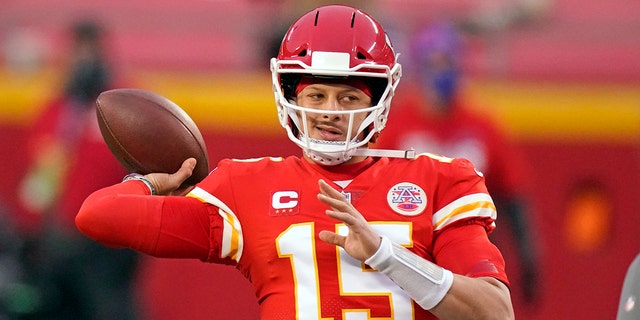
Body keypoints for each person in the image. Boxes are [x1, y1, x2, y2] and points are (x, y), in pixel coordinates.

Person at [75, 5, 514, 319]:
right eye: (316, 95)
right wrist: (153, 183)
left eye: (347, 97)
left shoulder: (440, 178)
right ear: (290, 97)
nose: (329, 111)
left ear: (379, 101)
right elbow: (97, 216)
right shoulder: (247, 185)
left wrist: (386, 255)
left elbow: (494, 312)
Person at [375, 21, 539, 302]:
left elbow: (513, 195)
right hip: (413, 248)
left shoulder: (483, 127)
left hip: (470, 245)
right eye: (434, 64)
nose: (443, 73)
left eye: (448, 62)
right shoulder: (396, 126)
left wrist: (528, 253)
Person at [17, 20, 140, 320]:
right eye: (77, 53)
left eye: (91, 52)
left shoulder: (126, 105)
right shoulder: (56, 112)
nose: (84, 62)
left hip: (110, 244)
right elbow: (41, 180)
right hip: (62, 242)